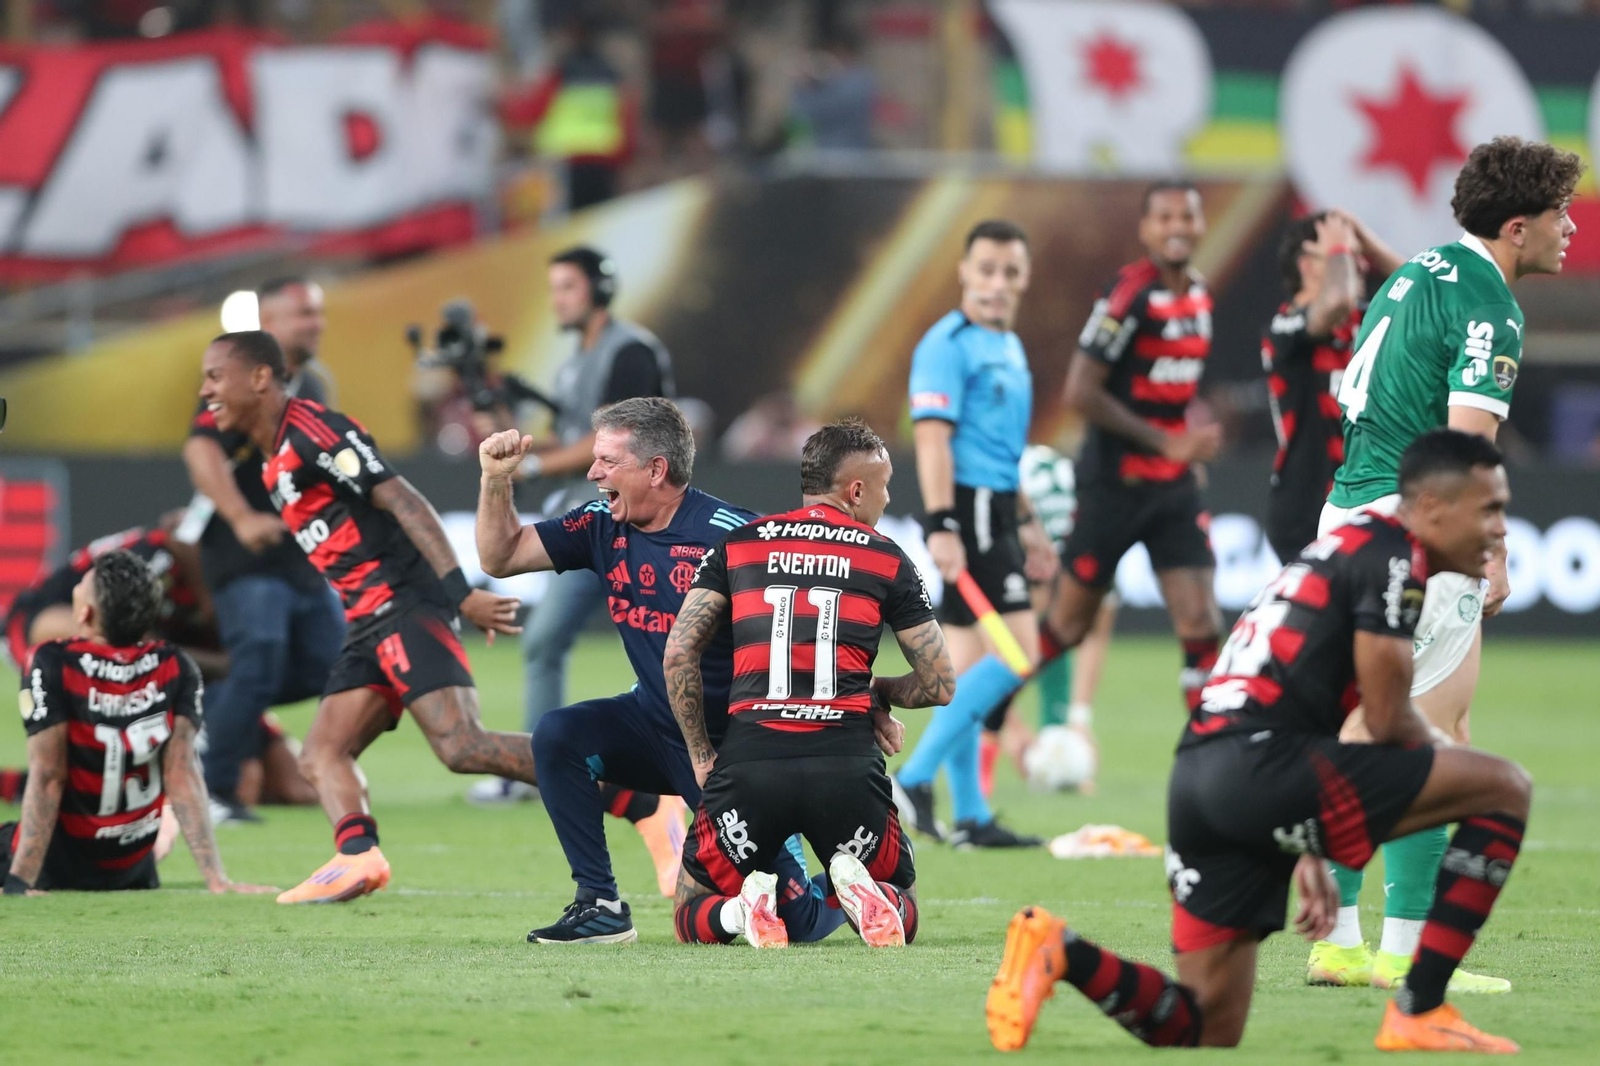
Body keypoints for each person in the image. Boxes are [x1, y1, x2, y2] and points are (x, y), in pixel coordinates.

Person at [987, 429, 1530, 1054]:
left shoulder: (1346, 547)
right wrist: (1399, 778)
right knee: (1503, 789)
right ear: (1433, 506)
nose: (1499, 532)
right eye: (1489, 509)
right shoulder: (1394, 558)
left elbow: (1309, 696)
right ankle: (1420, 1006)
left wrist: (1309, 843)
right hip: (1264, 771)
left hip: (1201, 778)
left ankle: (1059, 950)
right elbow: (1383, 723)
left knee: (1207, 1022)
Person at [1308, 136, 1582, 992]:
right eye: (1558, 215)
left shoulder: (1420, 269)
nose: (1570, 229)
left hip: (1346, 514)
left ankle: (1343, 942)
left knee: (1373, 722)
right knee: (1431, 734)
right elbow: (1468, 444)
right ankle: (1408, 952)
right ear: (1515, 226)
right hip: (1418, 528)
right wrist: (1491, 549)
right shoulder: (1494, 312)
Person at [477, 398, 845, 946]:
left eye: (607, 460)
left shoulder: (735, 537)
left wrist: (860, 711)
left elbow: (810, 636)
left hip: (731, 753)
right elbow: (500, 557)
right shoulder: (601, 522)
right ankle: (598, 904)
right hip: (655, 726)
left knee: (800, 924)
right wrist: (494, 480)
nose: (592, 472)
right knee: (557, 736)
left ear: (655, 469)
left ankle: (859, 887)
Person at [198, 330, 529, 905]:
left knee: (463, 747)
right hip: (366, 620)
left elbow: (404, 500)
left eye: (214, 377)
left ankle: (638, 795)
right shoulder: (273, 458)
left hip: (403, 602)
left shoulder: (314, 430)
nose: (205, 391)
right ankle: (358, 857)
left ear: (259, 378)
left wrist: (459, 595)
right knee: (321, 754)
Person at [664, 419, 954, 948]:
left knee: (690, 908)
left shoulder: (740, 544)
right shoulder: (886, 556)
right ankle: (871, 897)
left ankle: (739, 913)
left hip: (750, 764)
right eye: (884, 486)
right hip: (845, 768)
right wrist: (878, 694)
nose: (887, 499)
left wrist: (702, 754)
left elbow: (680, 651)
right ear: (857, 490)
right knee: (903, 901)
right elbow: (939, 685)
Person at [467, 245, 675, 816]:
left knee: (641, 643)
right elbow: (574, 444)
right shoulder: (575, 360)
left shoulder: (629, 351)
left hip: (627, 518)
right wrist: (509, 439)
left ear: (599, 291)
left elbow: (618, 441)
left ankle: (545, 770)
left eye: (568, 287)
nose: (557, 299)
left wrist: (530, 466)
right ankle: (547, 769)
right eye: (554, 288)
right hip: (594, 516)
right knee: (557, 641)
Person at [890, 219, 1053, 849]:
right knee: (1021, 654)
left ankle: (971, 816)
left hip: (997, 510)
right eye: (986, 269)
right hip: (970, 513)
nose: (997, 282)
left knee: (963, 667)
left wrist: (1029, 521)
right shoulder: (947, 344)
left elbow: (1002, 450)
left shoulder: (1005, 342)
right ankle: (916, 777)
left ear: (1024, 277)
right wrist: (943, 525)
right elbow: (932, 439)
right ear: (963, 270)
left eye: (1010, 271)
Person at [0, 520, 315, 818]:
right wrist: (231, 664)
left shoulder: (245, 582)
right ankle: (48, 783)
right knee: (122, 656)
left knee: (297, 788)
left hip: (183, 668)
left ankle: (151, 780)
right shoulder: (156, 563)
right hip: (47, 619)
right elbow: (136, 645)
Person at [3, 549, 272, 897]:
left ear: (84, 612)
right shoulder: (176, 665)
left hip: (57, 862)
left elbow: (49, 776)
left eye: (82, 586)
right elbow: (183, 776)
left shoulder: (52, 661)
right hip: (131, 869)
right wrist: (218, 881)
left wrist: (19, 881)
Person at [186, 280, 346, 823]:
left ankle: (216, 702)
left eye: (318, 313)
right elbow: (201, 448)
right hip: (242, 552)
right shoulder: (237, 380)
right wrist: (240, 515)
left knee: (333, 664)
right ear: (270, 323)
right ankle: (212, 790)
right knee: (259, 658)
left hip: (300, 557)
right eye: (303, 314)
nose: (316, 323)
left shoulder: (317, 384)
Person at [1263, 210, 1402, 563]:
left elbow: (1435, 293)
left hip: (1370, 496)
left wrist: (1368, 242)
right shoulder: (1286, 325)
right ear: (1307, 265)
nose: (1359, 265)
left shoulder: (1370, 322)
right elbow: (1336, 300)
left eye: (1357, 256)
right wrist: (1343, 247)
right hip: (1305, 507)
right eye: (1342, 255)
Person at [979, 444, 1118, 795]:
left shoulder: (1098, 536)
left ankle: (1055, 739)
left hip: (1046, 519)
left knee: (1061, 627)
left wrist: (1080, 718)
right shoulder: (1018, 543)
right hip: (994, 504)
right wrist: (1010, 725)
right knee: (1001, 637)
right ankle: (983, 749)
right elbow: (987, 628)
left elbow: (1095, 627)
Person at [257, 276, 337, 406]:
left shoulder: (314, 386)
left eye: (320, 313)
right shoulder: (233, 387)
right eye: (305, 313)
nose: (319, 324)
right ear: (267, 321)